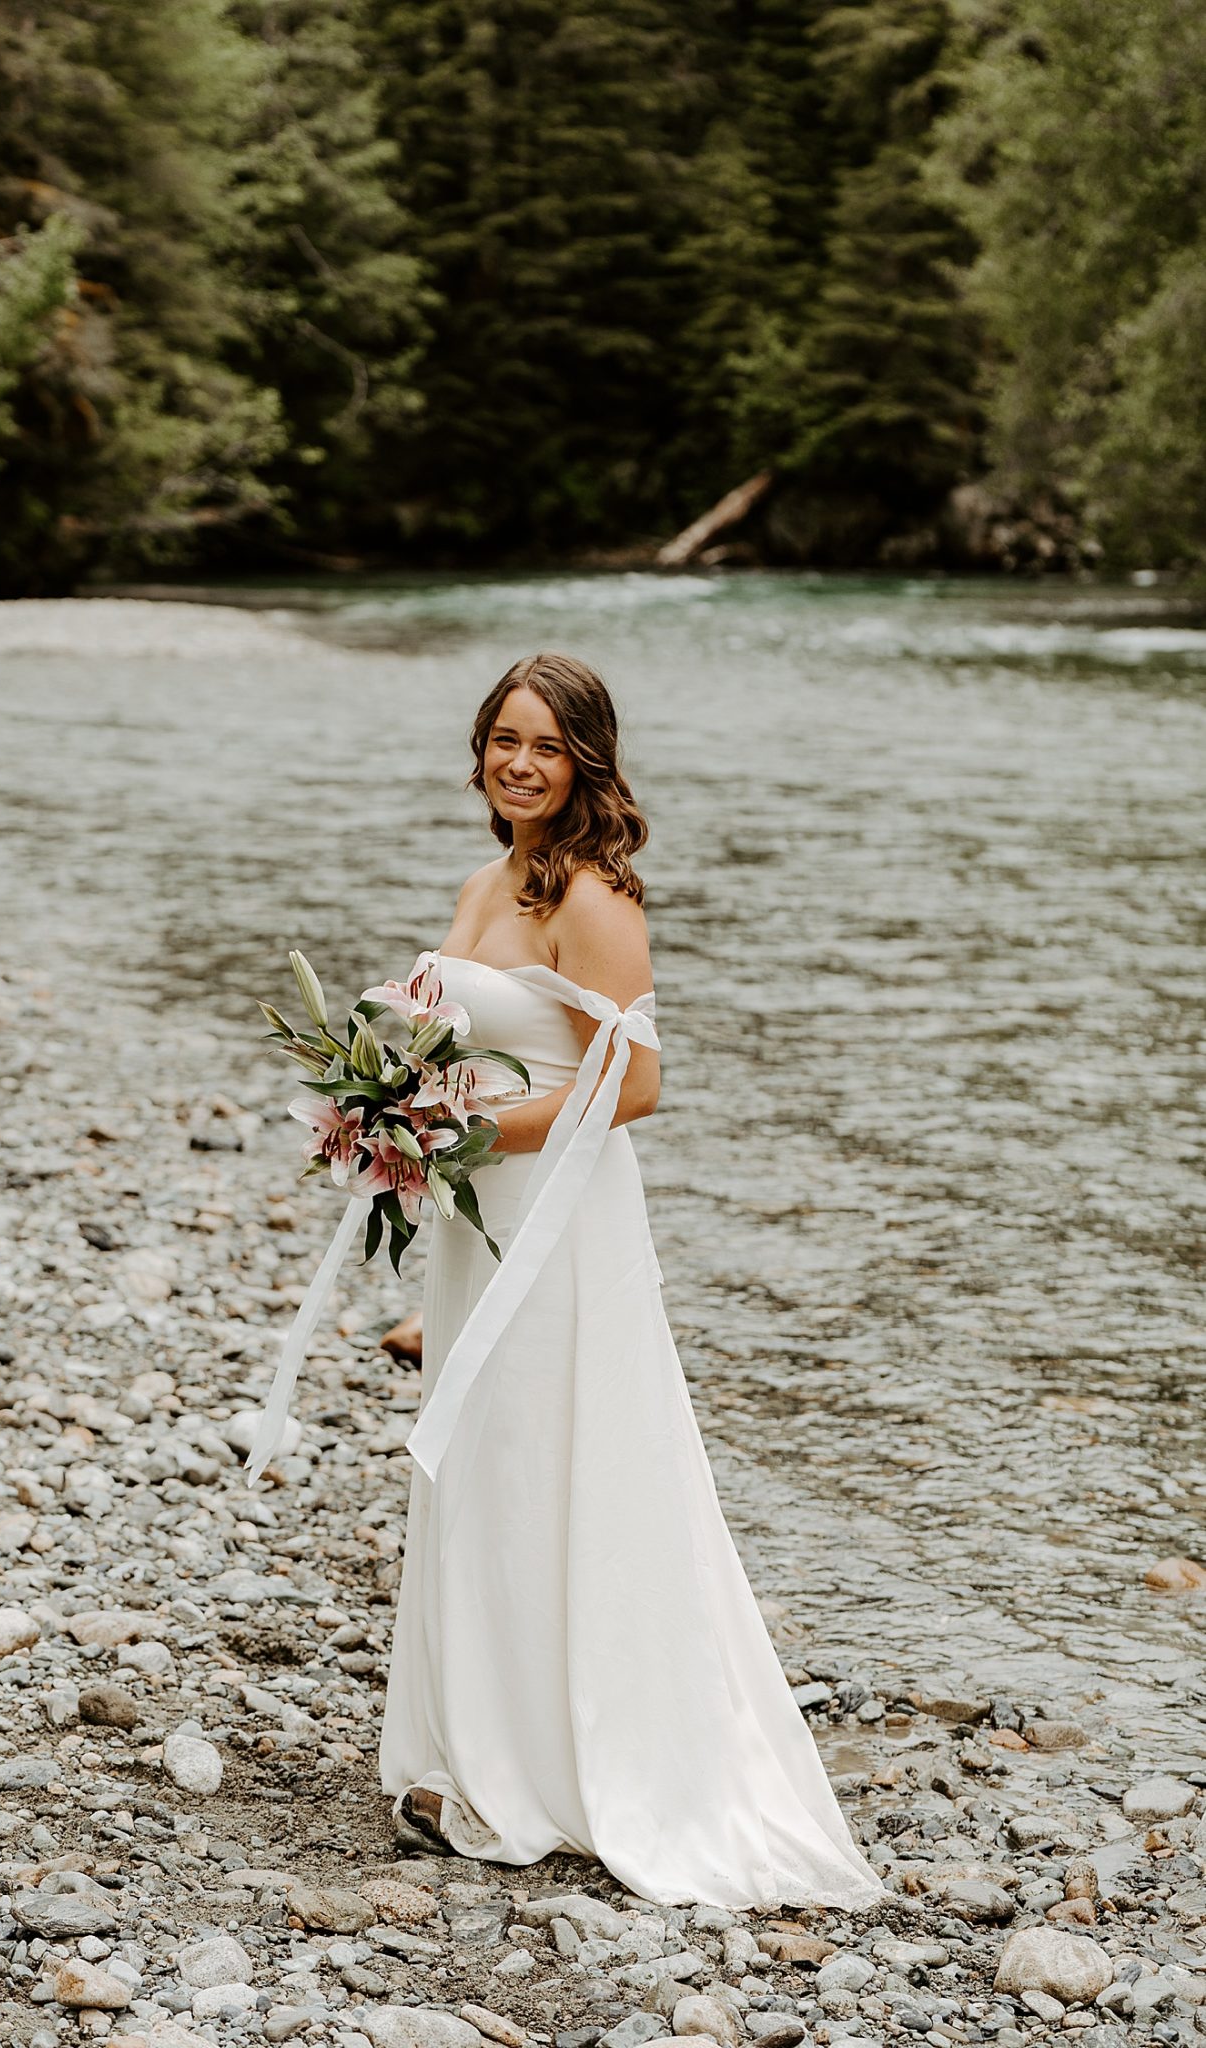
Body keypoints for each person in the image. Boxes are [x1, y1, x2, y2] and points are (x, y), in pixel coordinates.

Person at [379, 651, 883, 1910]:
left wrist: (478, 1133)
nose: (519, 761)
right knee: (483, 1465)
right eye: (503, 737)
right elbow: (442, 1036)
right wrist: (392, 1109)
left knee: (559, 1460)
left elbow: (638, 1085)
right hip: (471, 1212)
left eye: (545, 744)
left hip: (554, 1214)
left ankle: (567, 1760)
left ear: (587, 759)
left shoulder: (591, 896)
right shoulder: (484, 880)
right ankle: (482, 1745)